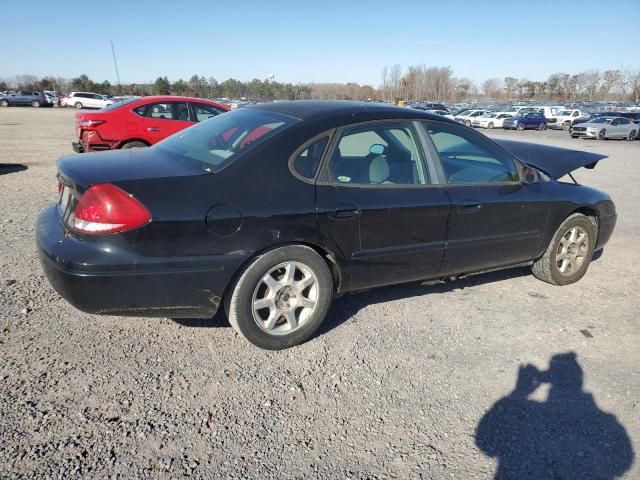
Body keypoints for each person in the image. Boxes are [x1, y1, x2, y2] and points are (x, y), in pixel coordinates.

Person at [476, 352, 633, 479]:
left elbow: (485, 441)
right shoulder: (605, 421)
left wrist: (519, 392)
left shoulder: (604, 420)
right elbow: (623, 461)